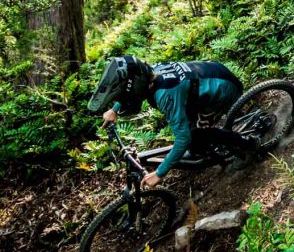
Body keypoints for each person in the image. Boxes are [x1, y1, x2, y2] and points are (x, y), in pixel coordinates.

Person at [87, 55, 258, 186]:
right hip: (213, 75)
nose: (124, 99)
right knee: (192, 135)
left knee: (199, 135)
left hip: (223, 90)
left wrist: (159, 173)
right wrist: (114, 109)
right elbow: (131, 87)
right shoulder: (150, 73)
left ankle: (248, 143)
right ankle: (201, 149)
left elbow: (183, 139)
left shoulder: (165, 95)